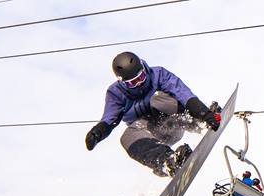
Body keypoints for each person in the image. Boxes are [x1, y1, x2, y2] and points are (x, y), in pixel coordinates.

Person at [85, 52, 221, 177]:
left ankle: (198, 123)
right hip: (152, 135)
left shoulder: (158, 74)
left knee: (158, 99)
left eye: (141, 77)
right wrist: (97, 133)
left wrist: (203, 113)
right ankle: (167, 162)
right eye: (133, 82)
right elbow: (109, 119)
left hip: (174, 122)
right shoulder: (116, 93)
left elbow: (183, 93)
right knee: (126, 137)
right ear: (123, 83)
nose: (139, 83)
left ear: (145, 69)